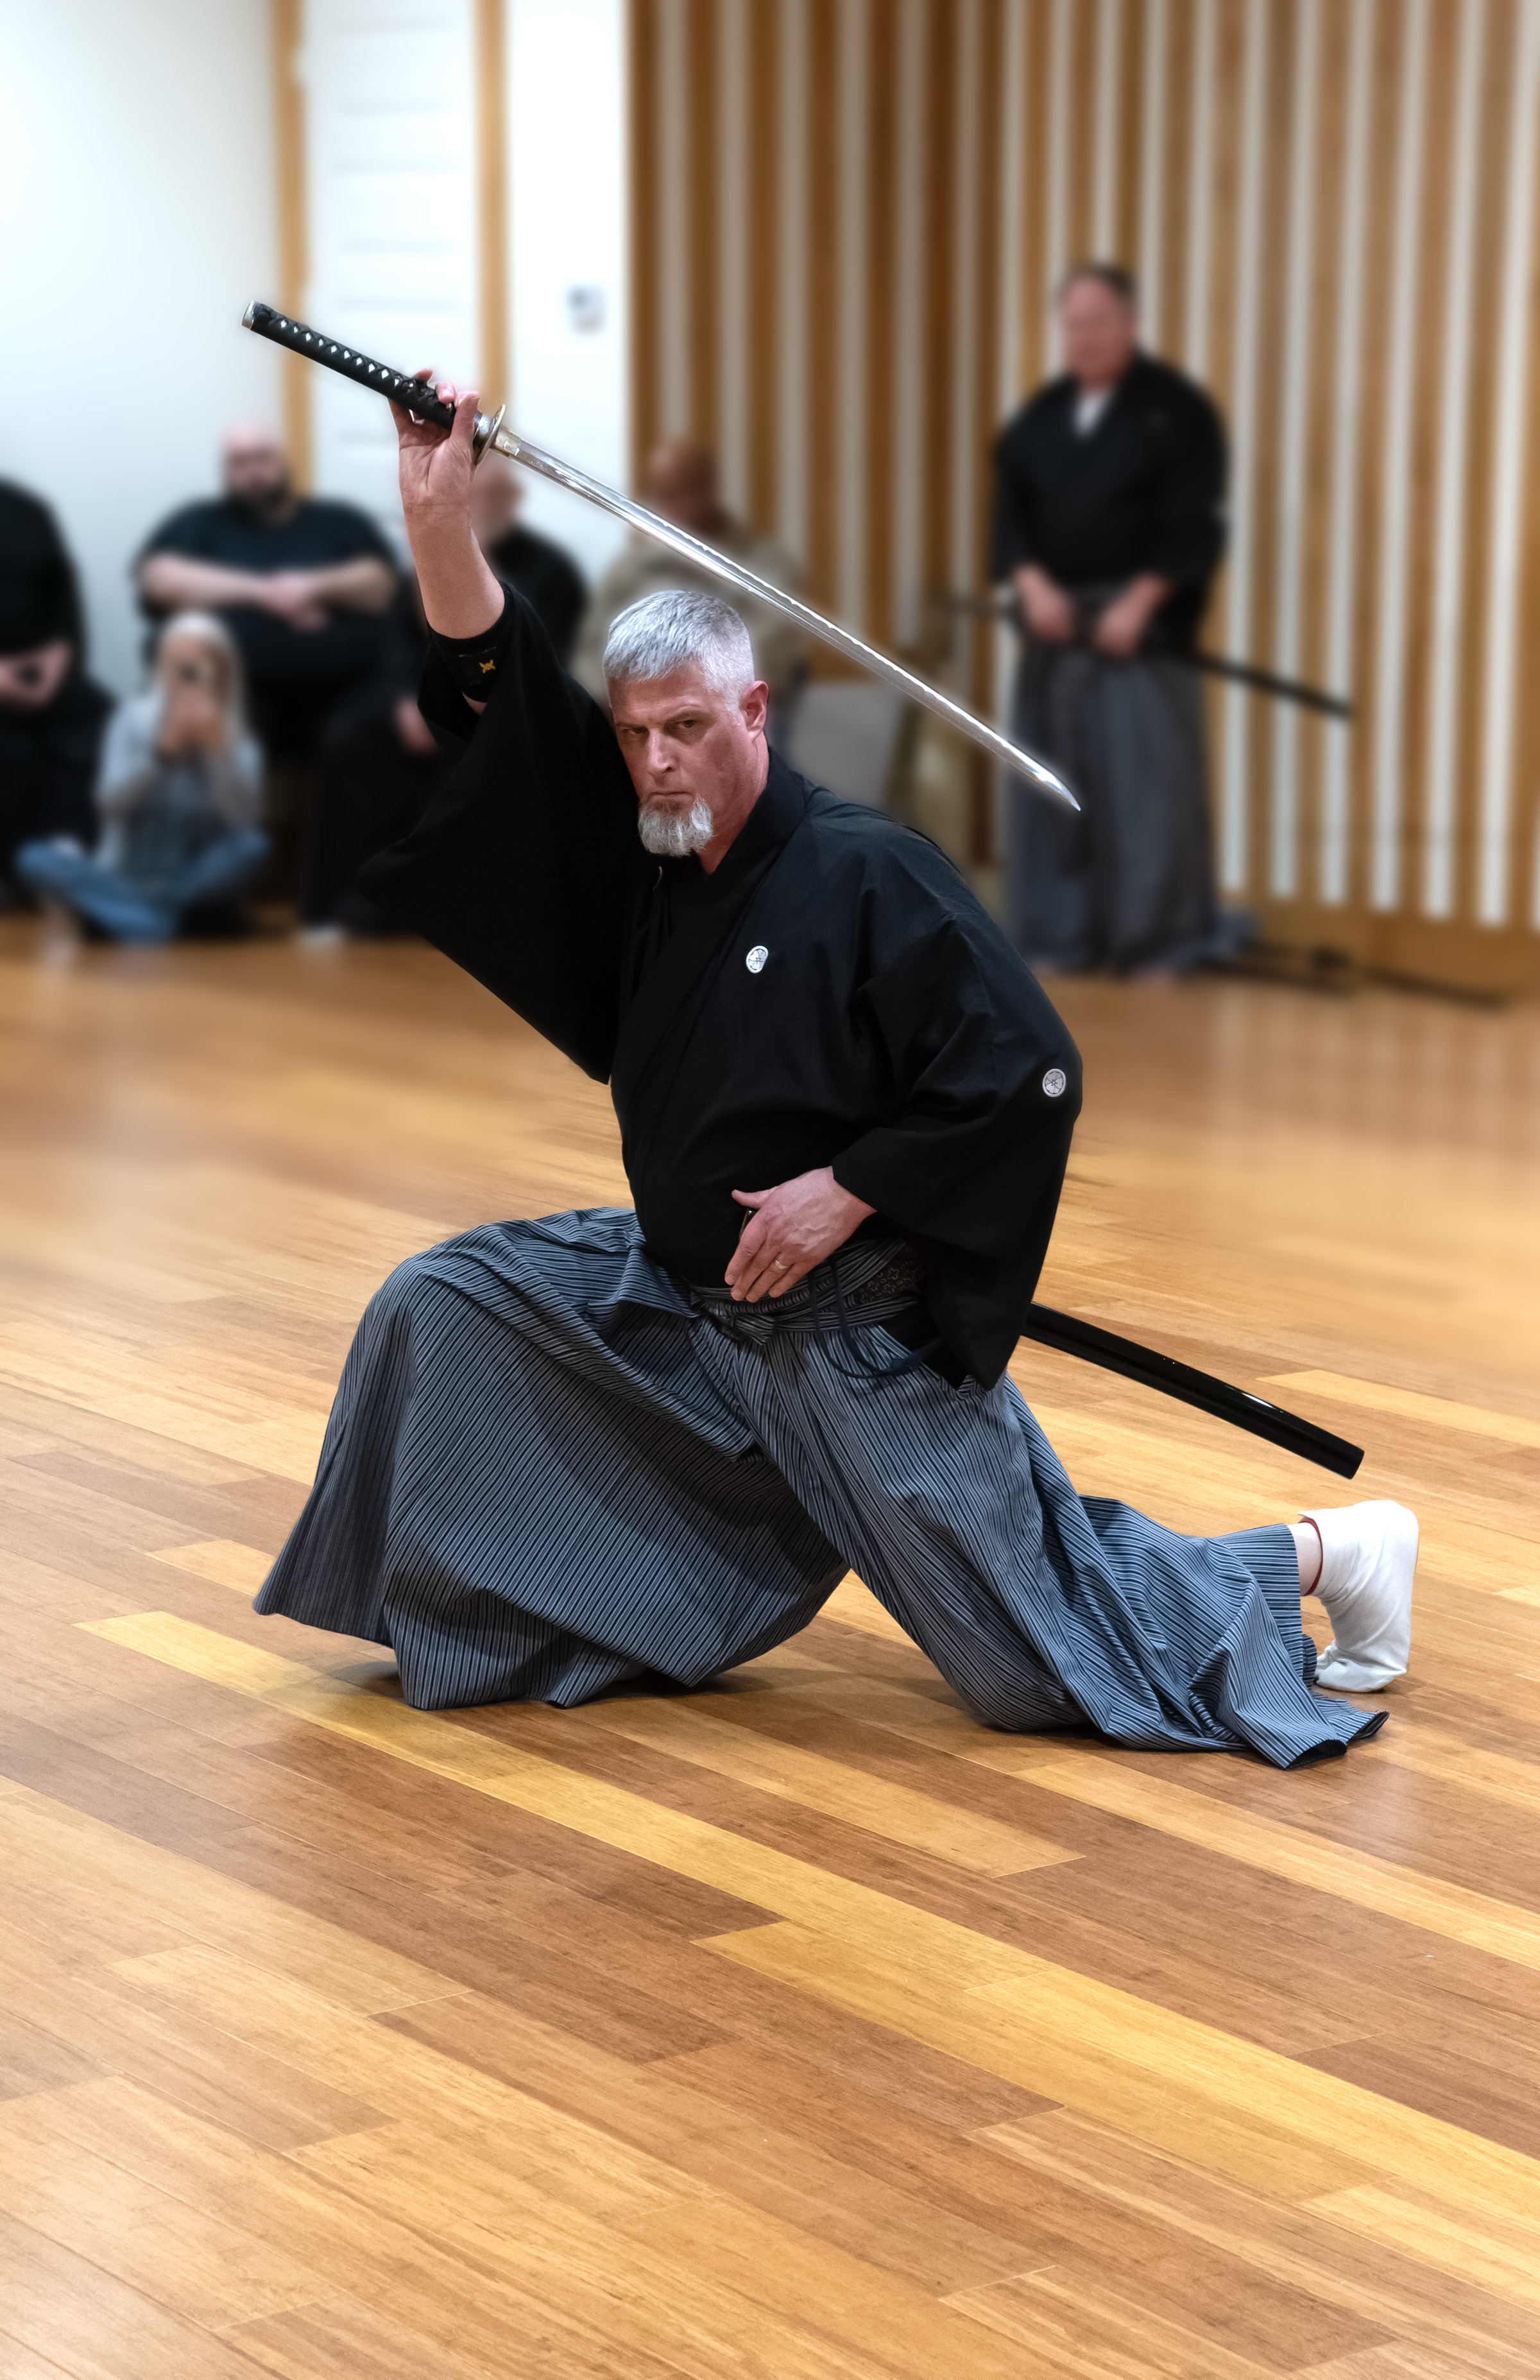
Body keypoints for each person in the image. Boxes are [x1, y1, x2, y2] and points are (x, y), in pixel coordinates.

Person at [254, 372, 1414, 1762]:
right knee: (441, 1303)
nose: (659, 765)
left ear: (756, 708)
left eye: (688, 728)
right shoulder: (649, 850)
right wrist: (439, 520)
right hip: (674, 1304)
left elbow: (1026, 1072)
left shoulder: (868, 872)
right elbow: (506, 697)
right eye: (634, 738)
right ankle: (499, 1612)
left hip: (841, 1330)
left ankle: (1334, 1552)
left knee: (1035, 1658)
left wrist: (850, 1189)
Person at [992, 263, 1228, 975]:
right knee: (1053, 789)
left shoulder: (1176, 409)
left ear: (1130, 324)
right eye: (1075, 325)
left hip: (1137, 636)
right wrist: (1033, 587)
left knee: (1143, 795)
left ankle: (1156, 941)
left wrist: (1139, 603)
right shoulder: (1039, 418)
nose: (1086, 337)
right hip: (1056, 633)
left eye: (1100, 323)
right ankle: (1061, 937)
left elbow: (1194, 523)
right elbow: (1010, 519)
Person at [299, 458, 587, 936]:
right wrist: (404, 698)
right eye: (472, 494)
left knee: (466, 753)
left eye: (492, 495)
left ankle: (431, 907)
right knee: (348, 739)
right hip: (420, 696)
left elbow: (544, 658)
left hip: (502, 709)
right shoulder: (427, 558)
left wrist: (450, 704)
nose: (480, 505)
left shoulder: (551, 568)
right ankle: (347, 899)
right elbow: (394, 644)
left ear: (512, 499)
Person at [137, 425, 397, 893]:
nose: (254, 471)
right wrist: (265, 593)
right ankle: (208, 894)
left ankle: (351, 901)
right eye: (240, 462)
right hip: (240, 685)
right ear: (226, 472)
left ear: (283, 461)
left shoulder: (336, 521)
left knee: (366, 736)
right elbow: (159, 579)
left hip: (346, 687)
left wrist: (312, 587)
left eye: (262, 457)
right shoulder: (201, 523)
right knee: (214, 730)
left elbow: (379, 584)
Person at [15, 612, 268, 943]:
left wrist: (218, 754)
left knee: (255, 846)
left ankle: (135, 918)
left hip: (191, 878)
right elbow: (110, 806)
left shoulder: (239, 741)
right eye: (177, 667)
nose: (186, 679)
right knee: (34, 858)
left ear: (222, 672)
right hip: (123, 874)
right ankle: (157, 920)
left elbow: (242, 821)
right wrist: (160, 759)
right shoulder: (131, 720)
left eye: (198, 669)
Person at [572, 438, 805, 727]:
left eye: (680, 493)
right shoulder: (631, 567)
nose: (670, 508)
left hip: (727, 717)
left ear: (709, 489)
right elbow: (591, 650)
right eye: (662, 496)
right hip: (633, 716)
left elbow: (766, 659)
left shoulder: (765, 565)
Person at [0, 479, 111, 903]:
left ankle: (68, 854)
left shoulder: (27, 509)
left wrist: (59, 657)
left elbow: (64, 588)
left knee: (100, 717)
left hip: (40, 666)